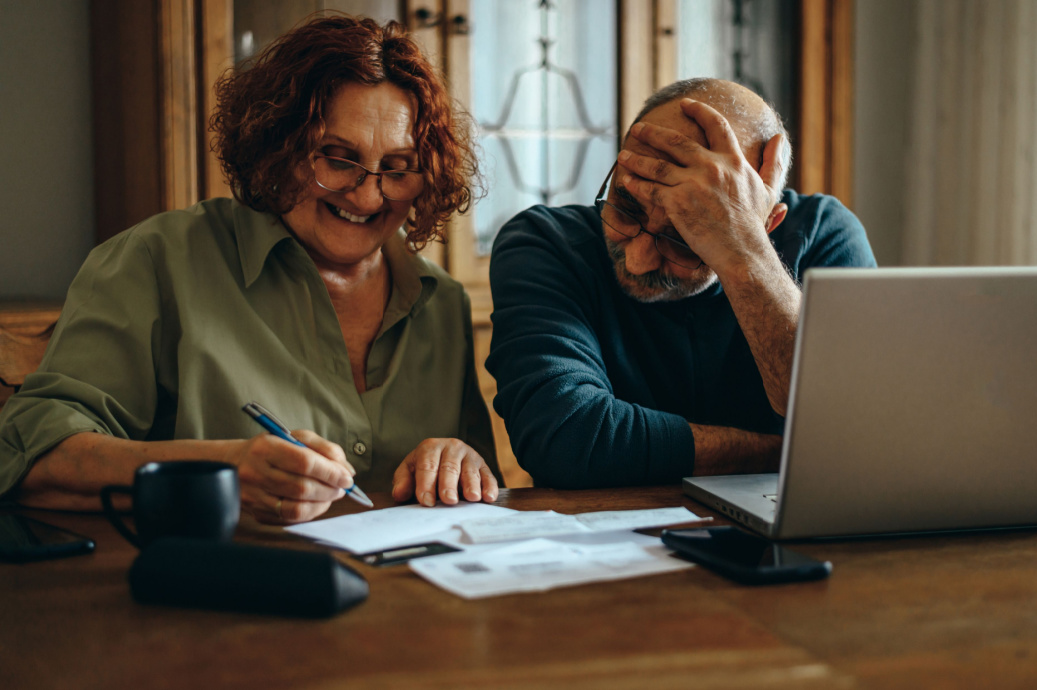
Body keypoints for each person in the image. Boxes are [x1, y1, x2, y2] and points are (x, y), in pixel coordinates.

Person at [0, 16, 501, 523]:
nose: (368, 194)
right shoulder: (157, 262)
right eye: (337, 157)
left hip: (413, 597)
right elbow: (32, 456)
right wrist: (223, 472)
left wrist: (462, 462)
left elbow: (483, 493)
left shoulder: (444, 303)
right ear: (279, 146)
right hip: (218, 592)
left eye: (397, 168)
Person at [487, 78, 876, 489]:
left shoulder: (824, 235)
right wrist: (789, 454)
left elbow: (851, 426)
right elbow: (567, 440)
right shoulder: (545, 243)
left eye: (684, 239)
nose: (637, 263)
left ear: (767, 223)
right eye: (624, 210)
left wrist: (745, 252)